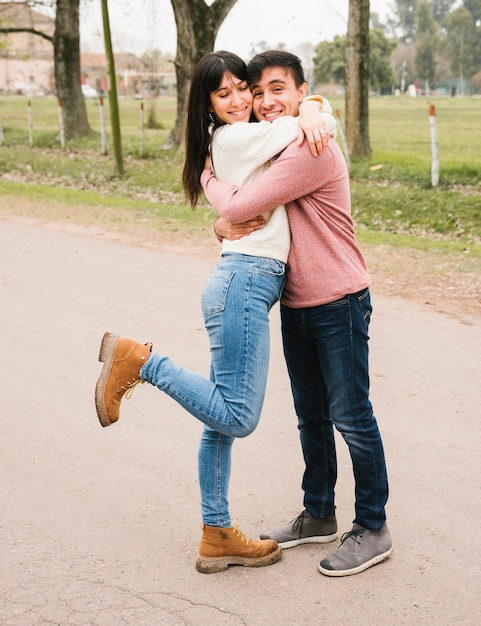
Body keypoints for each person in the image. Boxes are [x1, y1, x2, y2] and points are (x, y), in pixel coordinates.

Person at [94, 50, 336, 574]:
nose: (238, 99)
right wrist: (315, 108)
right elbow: (294, 129)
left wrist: (219, 204)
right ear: (207, 105)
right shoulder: (235, 138)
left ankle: (217, 531)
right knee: (238, 417)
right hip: (246, 281)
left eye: (240, 88)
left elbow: (241, 186)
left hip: (241, 280)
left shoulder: (230, 145)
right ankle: (141, 362)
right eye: (221, 94)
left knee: (218, 417)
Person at [202, 49, 392, 578]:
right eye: (256, 92)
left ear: (302, 92)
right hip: (298, 301)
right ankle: (319, 513)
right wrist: (218, 213)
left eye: (277, 89)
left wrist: (208, 186)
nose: (263, 102)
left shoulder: (310, 146)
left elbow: (242, 206)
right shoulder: (286, 137)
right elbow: (243, 197)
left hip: (338, 300)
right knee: (311, 417)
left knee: (352, 417)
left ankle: (373, 526)